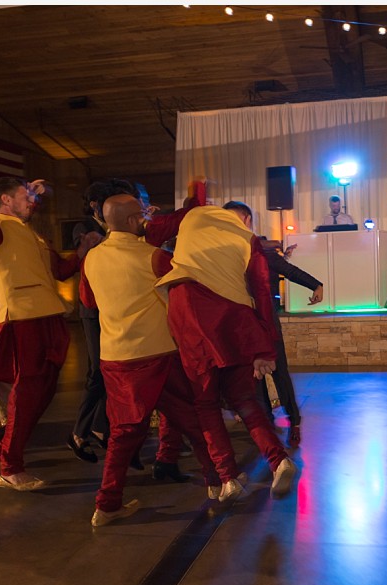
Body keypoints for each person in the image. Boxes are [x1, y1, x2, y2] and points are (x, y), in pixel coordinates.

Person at [0, 121, 94, 491]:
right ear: (5, 200)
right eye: (25, 194)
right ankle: (10, 466)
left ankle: (7, 451)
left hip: (49, 319)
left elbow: (59, 270)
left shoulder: (31, 234)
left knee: (44, 392)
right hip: (22, 320)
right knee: (26, 393)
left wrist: (84, 253)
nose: (33, 198)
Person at [80, 194, 231, 526]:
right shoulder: (155, 257)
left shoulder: (91, 258)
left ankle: (106, 504)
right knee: (192, 419)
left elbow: (87, 301)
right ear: (135, 221)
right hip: (158, 354)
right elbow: (189, 295)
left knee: (123, 433)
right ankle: (217, 482)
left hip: (116, 357)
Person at [156, 202, 299, 500]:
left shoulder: (192, 221)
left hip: (191, 314)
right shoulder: (248, 239)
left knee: (206, 403)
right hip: (235, 322)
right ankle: (278, 459)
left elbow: (154, 231)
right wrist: (265, 346)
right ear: (244, 218)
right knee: (245, 400)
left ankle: (228, 477)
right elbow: (262, 292)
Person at [223, 200, 323, 448]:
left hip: (266, 322)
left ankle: (294, 421)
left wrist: (316, 284)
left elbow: (290, 271)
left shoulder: (261, 252)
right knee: (252, 377)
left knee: (279, 373)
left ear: (247, 221)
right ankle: (265, 421)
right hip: (241, 326)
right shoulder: (222, 256)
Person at [66, 178, 138, 465]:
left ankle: (97, 427)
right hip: (93, 310)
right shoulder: (88, 231)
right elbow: (87, 287)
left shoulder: (110, 230)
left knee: (109, 371)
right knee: (98, 372)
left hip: (109, 308)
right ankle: (79, 433)